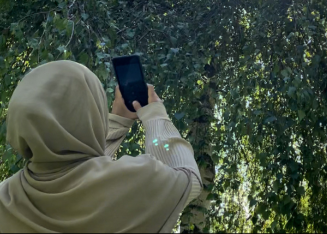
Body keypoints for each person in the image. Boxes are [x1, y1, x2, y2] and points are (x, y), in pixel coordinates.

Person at [0, 60, 202, 233]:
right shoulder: (136, 182)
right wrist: (154, 114)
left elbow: (80, 168)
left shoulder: (6, 197)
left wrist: (118, 122)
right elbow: (188, 178)